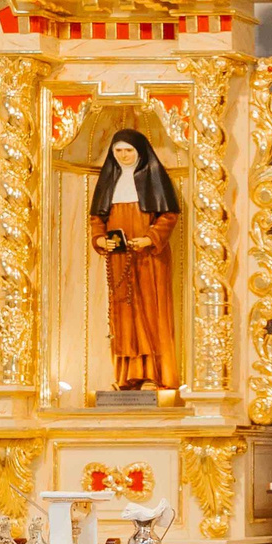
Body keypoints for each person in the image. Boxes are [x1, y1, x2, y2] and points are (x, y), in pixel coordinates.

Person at [87, 129, 182, 391]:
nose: (123, 155)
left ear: (140, 152)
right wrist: (99, 239)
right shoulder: (110, 180)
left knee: (150, 313)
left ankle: (154, 375)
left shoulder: (153, 178)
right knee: (124, 316)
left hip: (149, 259)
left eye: (128, 150)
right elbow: (98, 218)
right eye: (118, 151)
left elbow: (168, 215)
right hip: (119, 260)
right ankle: (127, 377)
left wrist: (150, 238)